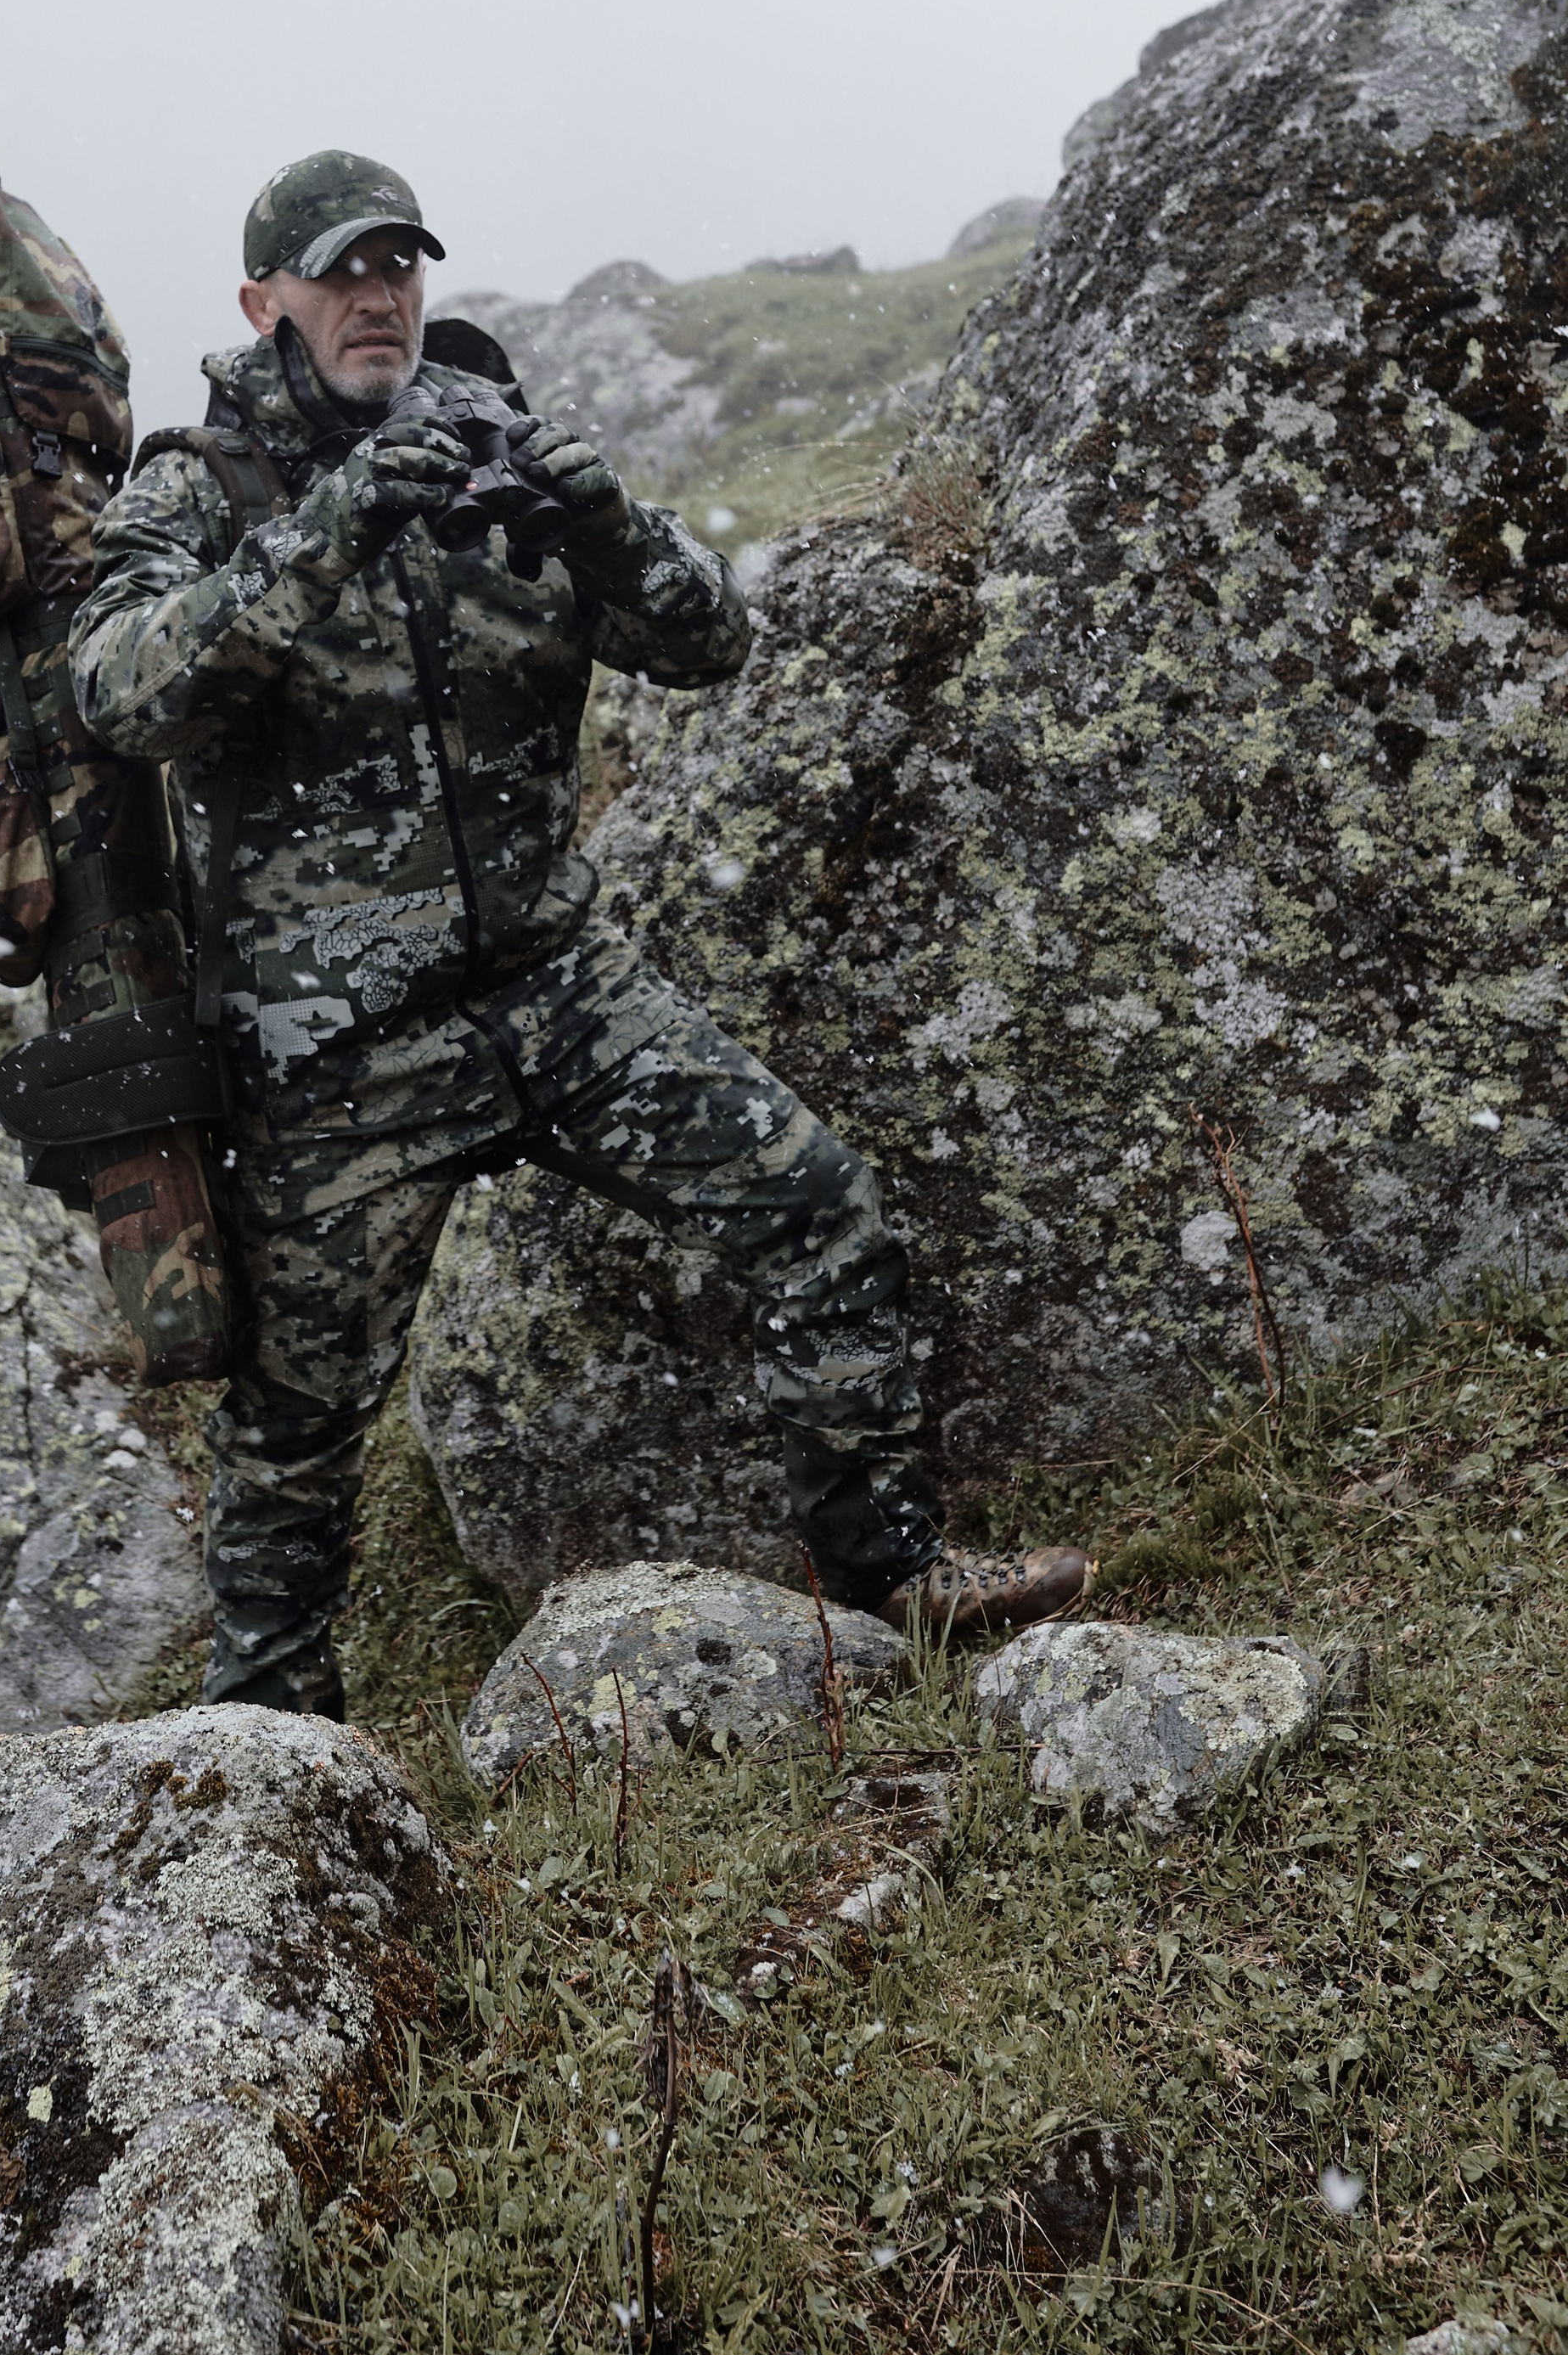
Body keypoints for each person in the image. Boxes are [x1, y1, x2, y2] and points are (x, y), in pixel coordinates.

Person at [70, 151, 1092, 1714]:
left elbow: (710, 640)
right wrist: (325, 534)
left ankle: (891, 1578)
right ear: (262, 302)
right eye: (343, 275)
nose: (377, 299)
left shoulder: (490, 435)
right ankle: (270, 1749)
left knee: (816, 1202)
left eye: (400, 268)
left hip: (556, 987)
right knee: (296, 1429)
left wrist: (606, 522)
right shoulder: (200, 487)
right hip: (339, 1046)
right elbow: (126, 688)